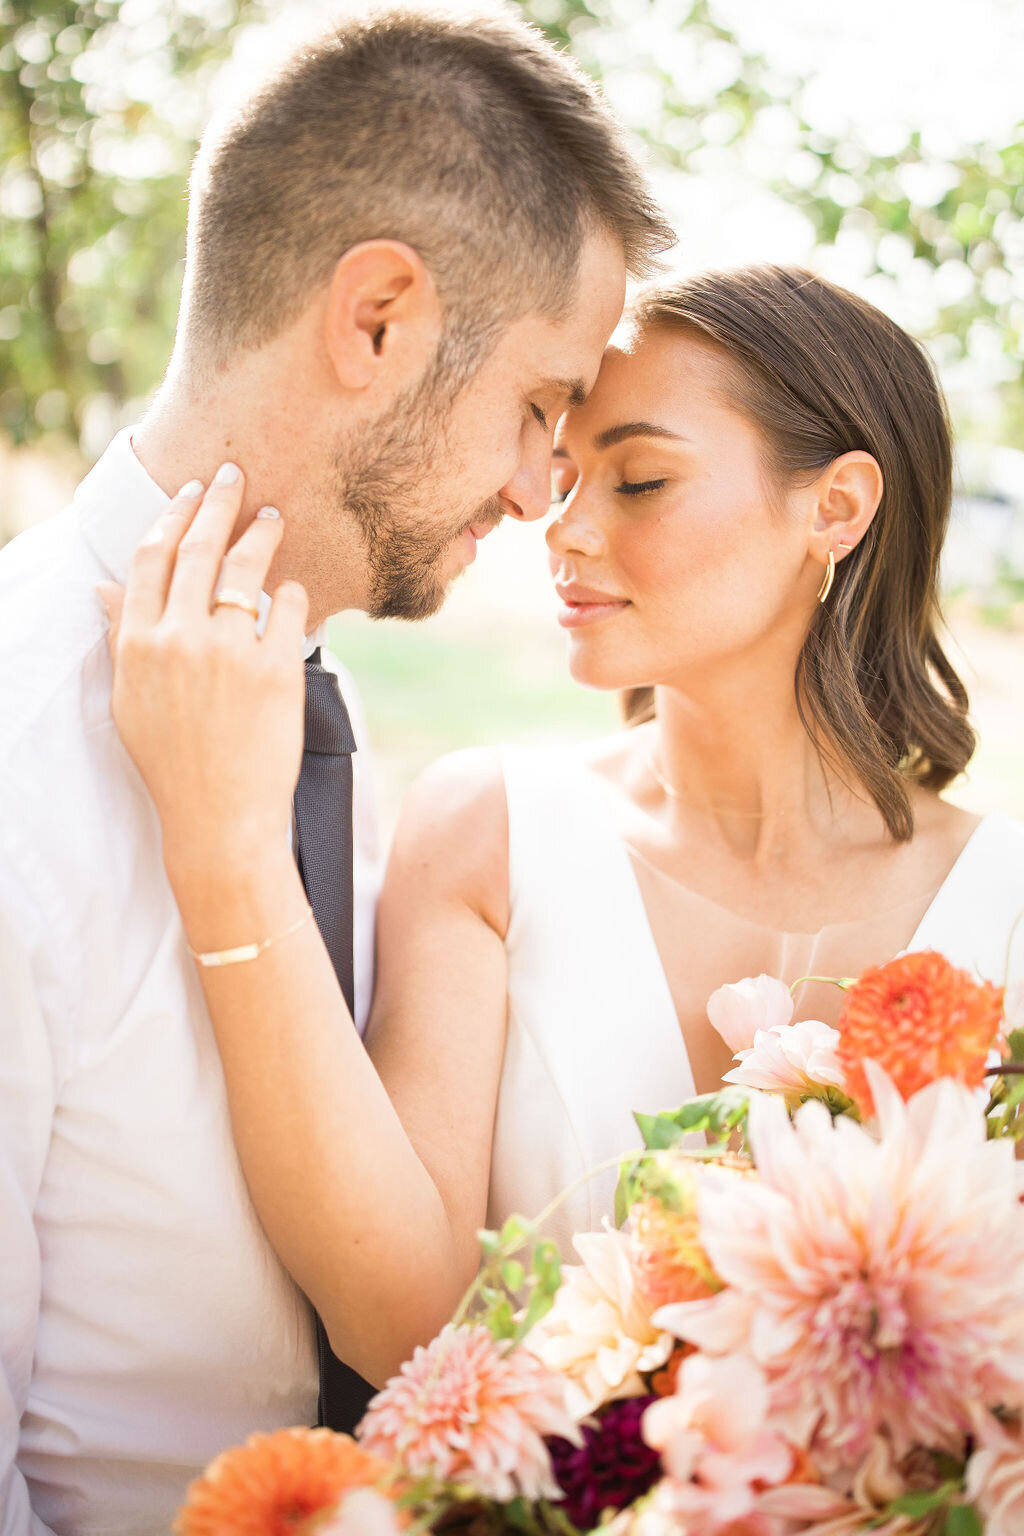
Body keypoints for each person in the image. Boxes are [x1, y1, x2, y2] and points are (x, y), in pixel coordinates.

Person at [102, 262, 1024, 1403]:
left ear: (833, 508)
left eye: (638, 480)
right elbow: (399, 1328)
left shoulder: (1008, 905)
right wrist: (226, 847)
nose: (562, 529)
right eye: (563, 475)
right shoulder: (490, 833)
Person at [0, 7, 671, 1528]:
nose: (535, 488)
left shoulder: (309, 695)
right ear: (379, 319)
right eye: (543, 405)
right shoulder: (16, 756)